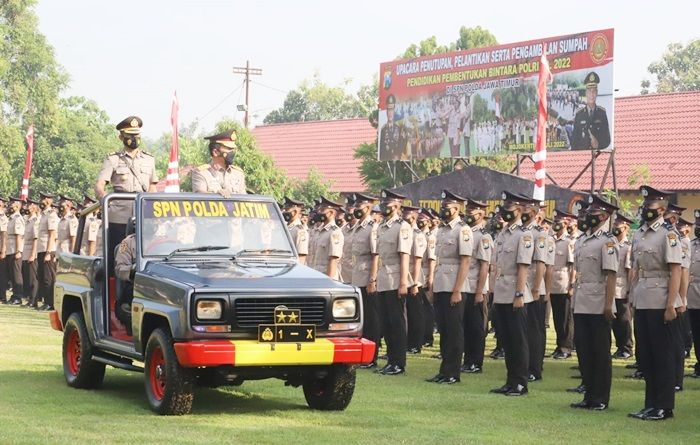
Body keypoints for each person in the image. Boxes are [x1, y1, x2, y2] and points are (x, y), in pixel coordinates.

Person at [628, 186, 683, 421]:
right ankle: (650, 403)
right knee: (647, 355)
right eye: (644, 205)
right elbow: (636, 269)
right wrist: (632, 296)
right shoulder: (640, 233)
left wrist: (671, 304)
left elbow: (676, 271)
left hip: (661, 299)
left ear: (661, 209)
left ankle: (664, 406)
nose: (645, 209)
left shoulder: (668, 235)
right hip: (643, 298)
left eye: (649, 206)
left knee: (663, 355)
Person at [569, 194, 619, 411]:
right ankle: (589, 394)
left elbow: (611, 275)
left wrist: (609, 304)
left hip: (598, 302)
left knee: (599, 351)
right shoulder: (581, 239)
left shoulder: (607, 241)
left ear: (605, 216)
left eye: (594, 214)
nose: (589, 217)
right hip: (581, 300)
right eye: (588, 213)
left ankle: (600, 398)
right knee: (584, 349)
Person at [95, 116, 158, 277]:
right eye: (130, 135)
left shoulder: (149, 159)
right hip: (119, 217)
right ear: (121, 137)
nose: (134, 139)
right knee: (116, 256)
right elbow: (100, 185)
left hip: (142, 217)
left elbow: (153, 185)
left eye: (137, 135)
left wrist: (150, 206)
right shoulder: (113, 159)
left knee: (146, 256)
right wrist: (104, 200)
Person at [489, 192, 534, 396]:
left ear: (519, 211)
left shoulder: (523, 235)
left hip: (516, 292)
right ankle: (510, 380)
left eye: (510, 210)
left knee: (518, 340)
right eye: (504, 210)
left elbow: (523, 266)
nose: (506, 214)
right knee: (507, 339)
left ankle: (520, 383)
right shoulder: (503, 234)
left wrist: (519, 294)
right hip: (502, 290)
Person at [426, 190, 473, 385]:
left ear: (457, 209)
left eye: (447, 206)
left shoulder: (463, 230)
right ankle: (444, 370)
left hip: (455, 285)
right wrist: (432, 286)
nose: (443, 209)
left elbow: (465, 261)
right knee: (444, 329)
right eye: (443, 205)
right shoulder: (442, 230)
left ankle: (453, 372)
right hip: (440, 284)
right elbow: (437, 260)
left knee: (454, 330)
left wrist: (457, 290)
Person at [369, 189, 413, 375]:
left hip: (396, 278)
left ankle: (399, 362)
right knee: (386, 322)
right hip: (384, 277)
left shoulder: (402, 227)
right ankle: (390, 359)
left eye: (388, 204)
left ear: (396, 206)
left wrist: (403, 282)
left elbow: (404, 256)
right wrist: (375, 278)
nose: (384, 207)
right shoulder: (382, 226)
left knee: (397, 323)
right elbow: (379, 256)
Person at [461, 198, 492, 375]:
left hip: (477, 287)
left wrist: (480, 291)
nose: (468, 213)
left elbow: (485, 266)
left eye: (472, 210)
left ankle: (476, 362)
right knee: (466, 326)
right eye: (468, 210)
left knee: (476, 327)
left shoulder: (483, 237)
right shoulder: (466, 233)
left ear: (481, 214)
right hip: (465, 286)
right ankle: (468, 360)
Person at [351, 193, 380, 369]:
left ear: (368, 208)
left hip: (366, 276)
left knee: (371, 320)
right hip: (356, 276)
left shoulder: (372, 228)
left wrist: (372, 279)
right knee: (361, 319)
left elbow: (375, 255)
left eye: (360, 205)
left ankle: (371, 357)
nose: (356, 208)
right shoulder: (358, 227)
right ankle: (362, 355)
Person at [521, 199, 548, 382]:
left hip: (533, 286)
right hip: (521, 285)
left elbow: (541, 263)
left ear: (532, 212)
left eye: (524, 208)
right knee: (523, 329)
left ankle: (534, 368)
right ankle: (524, 365)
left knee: (534, 329)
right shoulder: (520, 231)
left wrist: (537, 287)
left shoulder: (540, 233)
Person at [549, 210, 576, 359]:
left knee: (565, 319)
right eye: (554, 222)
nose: (555, 225)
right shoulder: (551, 240)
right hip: (552, 284)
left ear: (565, 224)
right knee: (557, 319)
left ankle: (566, 347)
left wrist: (571, 285)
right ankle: (559, 346)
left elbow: (573, 266)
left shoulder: (568, 243)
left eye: (558, 222)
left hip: (563, 284)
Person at [191, 130, 246, 196]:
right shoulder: (201, 173)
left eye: (233, 149)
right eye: (228, 149)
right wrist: (216, 196)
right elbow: (201, 197)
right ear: (215, 152)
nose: (232, 152)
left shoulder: (238, 173)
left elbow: (244, 200)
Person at [611, 214, 634, 359]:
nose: (615, 228)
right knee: (614, 321)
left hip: (622, 288)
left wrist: (629, 289)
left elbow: (629, 270)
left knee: (624, 320)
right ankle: (619, 347)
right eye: (614, 225)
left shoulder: (628, 247)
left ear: (625, 228)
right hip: (611, 289)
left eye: (617, 226)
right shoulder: (610, 244)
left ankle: (626, 347)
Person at [404, 205, 426, 354]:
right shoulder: (404, 232)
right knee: (405, 313)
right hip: (404, 277)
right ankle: (406, 342)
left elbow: (417, 260)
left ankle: (415, 344)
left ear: (413, 217)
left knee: (415, 313)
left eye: (407, 214)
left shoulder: (417, 235)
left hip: (414, 278)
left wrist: (414, 283)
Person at [571, 72, 611, 150]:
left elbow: (607, 140)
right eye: (589, 91)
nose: (592, 94)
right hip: (582, 158)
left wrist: (598, 144)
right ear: (586, 93)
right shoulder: (579, 114)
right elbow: (574, 142)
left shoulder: (602, 113)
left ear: (597, 93)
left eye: (594, 91)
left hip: (597, 156)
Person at [309, 197, 344, 281]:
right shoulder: (318, 231)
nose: (319, 212)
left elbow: (333, 260)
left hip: (326, 278)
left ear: (331, 212)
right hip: (315, 275)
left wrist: (329, 282)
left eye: (322, 210)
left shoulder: (335, 233)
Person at [36, 193, 59, 310]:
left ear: (50, 200)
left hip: (48, 249)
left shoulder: (51, 215)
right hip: (41, 249)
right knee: (42, 276)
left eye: (44, 198)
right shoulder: (44, 215)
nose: (42, 200)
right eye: (41, 198)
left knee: (48, 278)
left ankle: (50, 303)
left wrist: (49, 253)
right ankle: (46, 301)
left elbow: (52, 234)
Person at [115, 218, 136, 326]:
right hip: (135, 287)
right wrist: (134, 269)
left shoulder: (169, 241)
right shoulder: (128, 242)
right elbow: (120, 269)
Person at [687, 209, 700, 379]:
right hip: (692, 296)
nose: (697, 227)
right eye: (697, 224)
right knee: (696, 333)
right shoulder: (692, 244)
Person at [6, 197, 25, 305]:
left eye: (13, 203)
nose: (10, 204)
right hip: (10, 249)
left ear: (18, 205)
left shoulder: (18, 218)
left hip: (15, 250)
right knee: (12, 275)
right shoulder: (12, 218)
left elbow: (19, 236)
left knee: (16, 274)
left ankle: (18, 297)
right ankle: (14, 296)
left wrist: (18, 251)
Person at [21, 199, 40, 308]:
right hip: (26, 250)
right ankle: (29, 299)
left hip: (32, 252)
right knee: (27, 277)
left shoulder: (35, 221)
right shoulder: (28, 220)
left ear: (33, 207)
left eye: (29, 204)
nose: (27, 206)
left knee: (33, 278)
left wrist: (33, 254)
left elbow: (35, 239)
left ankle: (34, 300)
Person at [281, 197, 309, 265]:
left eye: (287, 209)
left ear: (295, 211)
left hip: (291, 268)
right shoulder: (285, 227)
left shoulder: (300, 231)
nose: (284, 212)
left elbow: (301, 257)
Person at [340, 196, 357, 284]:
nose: (347, 212)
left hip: (358, 274)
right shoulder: (343, 229)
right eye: (346, 210)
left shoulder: (359, 228)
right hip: (344, 273)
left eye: (349, 209)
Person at [379, 95, 401, 161]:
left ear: (395, 111)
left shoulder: (399, 129)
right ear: (386, 111)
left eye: (392, 109)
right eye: (388, 109)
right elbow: (381, 150)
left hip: (398, 160)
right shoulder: (383, 130)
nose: (390, 113)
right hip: (386, 160)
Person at [0, 198, 8, 304]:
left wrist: (3, 250)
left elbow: (4, 235)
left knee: (1, 275)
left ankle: (2, 296)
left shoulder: (3, 218)